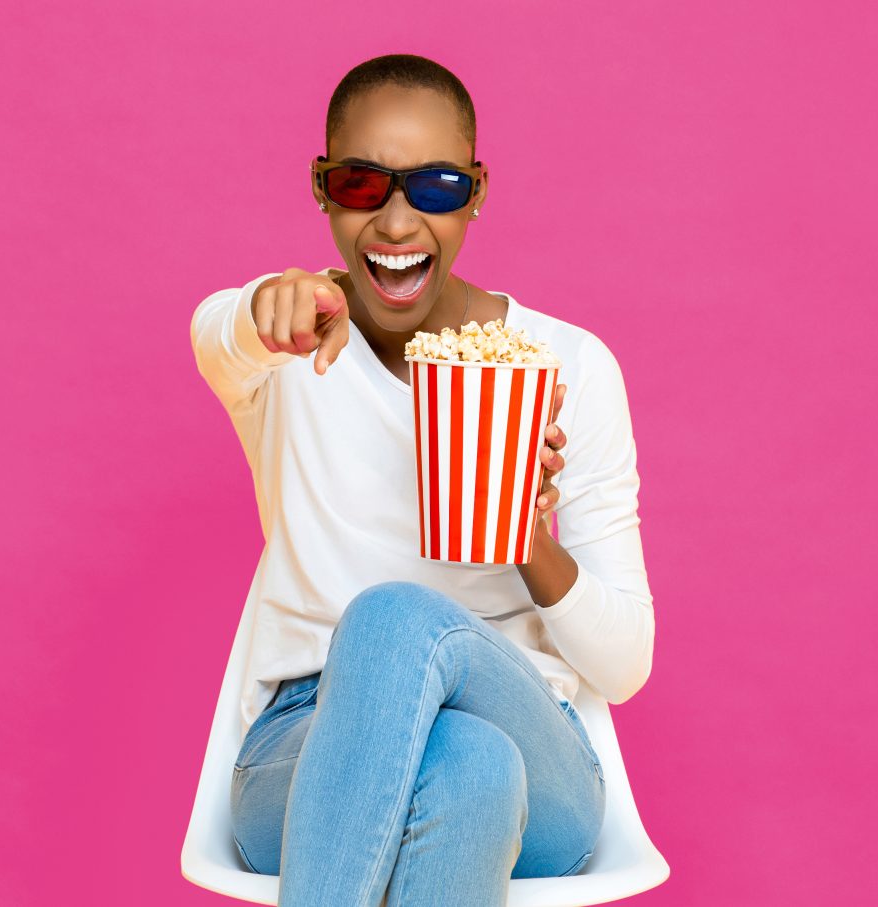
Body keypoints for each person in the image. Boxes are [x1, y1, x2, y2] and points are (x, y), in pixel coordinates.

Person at [187, 54, 655, 906]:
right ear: (323, 189)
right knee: (469, 771)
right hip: (305, 745)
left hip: (535, 752)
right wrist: (267, 304)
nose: (398, 221)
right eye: (363, 184)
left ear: (475, 192)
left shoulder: (568, 368)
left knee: (402, 623)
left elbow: (622, 667)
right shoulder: (290, 353)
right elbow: (218, 333)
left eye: (434, 187)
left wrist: (527, 535)